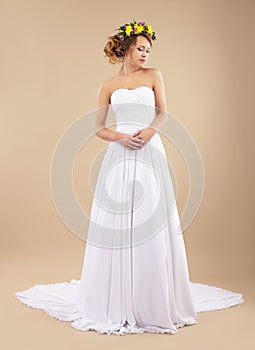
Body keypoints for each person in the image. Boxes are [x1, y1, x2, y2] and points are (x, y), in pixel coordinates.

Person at [14, 20, 244, 336]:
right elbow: (98, 127)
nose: (146, 54)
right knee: (119, 220)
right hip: (120, 155)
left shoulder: (154, 76)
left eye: (149, 49)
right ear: (126, 48)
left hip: (151, 150)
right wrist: (120, 138)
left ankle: (151, 301)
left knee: (153, 217)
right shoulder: (107, 85)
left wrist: (149, 132)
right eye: (140, 48)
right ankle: (116, 299)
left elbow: (162, 113)